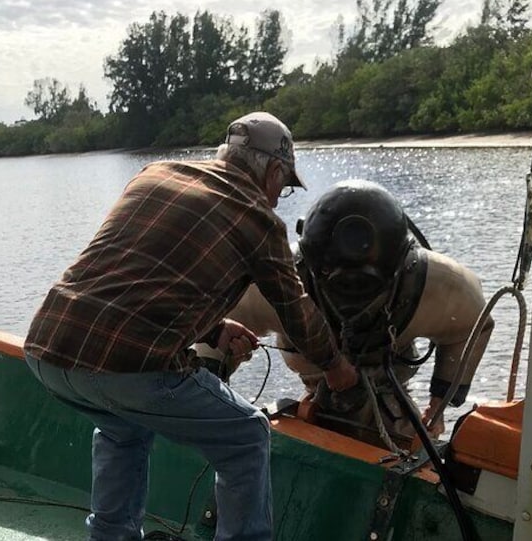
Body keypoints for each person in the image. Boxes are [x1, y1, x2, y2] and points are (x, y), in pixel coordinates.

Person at [23, 111, 358, 541]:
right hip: (127, 366)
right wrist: (334, 366)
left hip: (46, 348)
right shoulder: (259, 220)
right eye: (285, 184)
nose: (279, 198)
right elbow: (297, 311)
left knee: (123, 428)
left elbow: (137, 281)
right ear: (274, 171)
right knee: (246, 435)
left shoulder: (155, 174)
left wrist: (214, 331)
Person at [198, 180, 494, 449]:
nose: (352, 293)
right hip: (313, 404)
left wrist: (439, 405)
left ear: (401, 265)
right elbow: (215, 327)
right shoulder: (274, 280)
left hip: (393, 408)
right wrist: (208, 393)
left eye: (368, 286)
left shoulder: (444, 285)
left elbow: (472, 326)